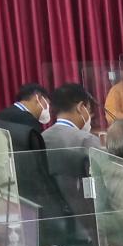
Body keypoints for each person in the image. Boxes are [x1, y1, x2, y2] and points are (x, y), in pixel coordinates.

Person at [0, 83, 73, 227]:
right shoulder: (28, 122)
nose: (48, 109)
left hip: (5, 179)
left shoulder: (2, 114)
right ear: (38, 98)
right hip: (28, 186)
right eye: (47, 104)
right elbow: (39, 159)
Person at [43, 82, 101, 223]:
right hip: (84, 214)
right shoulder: (86, 140)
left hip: (53, 212)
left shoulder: (42, 136)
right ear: (81, 107)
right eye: (89, 109)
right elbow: (102, 181)